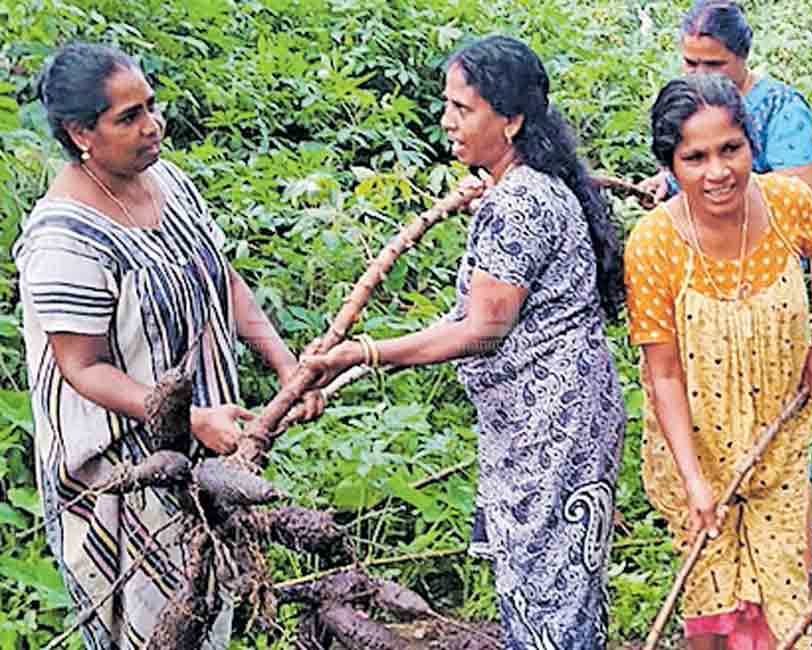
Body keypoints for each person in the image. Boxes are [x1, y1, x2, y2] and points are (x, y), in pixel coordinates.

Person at [303, 35, 627, 648]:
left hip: (550, 423)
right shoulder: (526, 189)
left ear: (511, 120)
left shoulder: (520, 202)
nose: (447, 121)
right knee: (558, 582)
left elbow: (483, 329)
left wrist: (367, 352)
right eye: (447, 105)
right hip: (555, 417)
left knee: (548, 586)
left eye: (463, 108)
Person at [15, 43, 322, 649]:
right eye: (128, 118)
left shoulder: (167, 183)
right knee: (150, 626)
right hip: (123, 474)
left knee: (210, 604)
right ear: (81, 133)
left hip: (206, 460)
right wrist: (190, 416)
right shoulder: (63, 238)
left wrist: (286, 364)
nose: (152, 126)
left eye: (151, 107)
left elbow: (224, 279)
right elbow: (82, 368)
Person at [624, 73, 812, 649]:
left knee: (784, 602)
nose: (717, 172)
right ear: (670, 165)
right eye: (694, 157)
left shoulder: (788, 203)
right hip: (697, 455)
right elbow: (662, 373)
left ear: (751, 143)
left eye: (731, 149)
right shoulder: (653, 244)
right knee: (711, 607)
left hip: (779, 439)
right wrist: (697, 484)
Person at [639, 0, 812, 203]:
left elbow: (801, 197)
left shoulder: (781, 107)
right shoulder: (685, 100)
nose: (700, 74)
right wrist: (668, 181)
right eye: (691, 63)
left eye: (713, 64)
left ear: (743, 56)